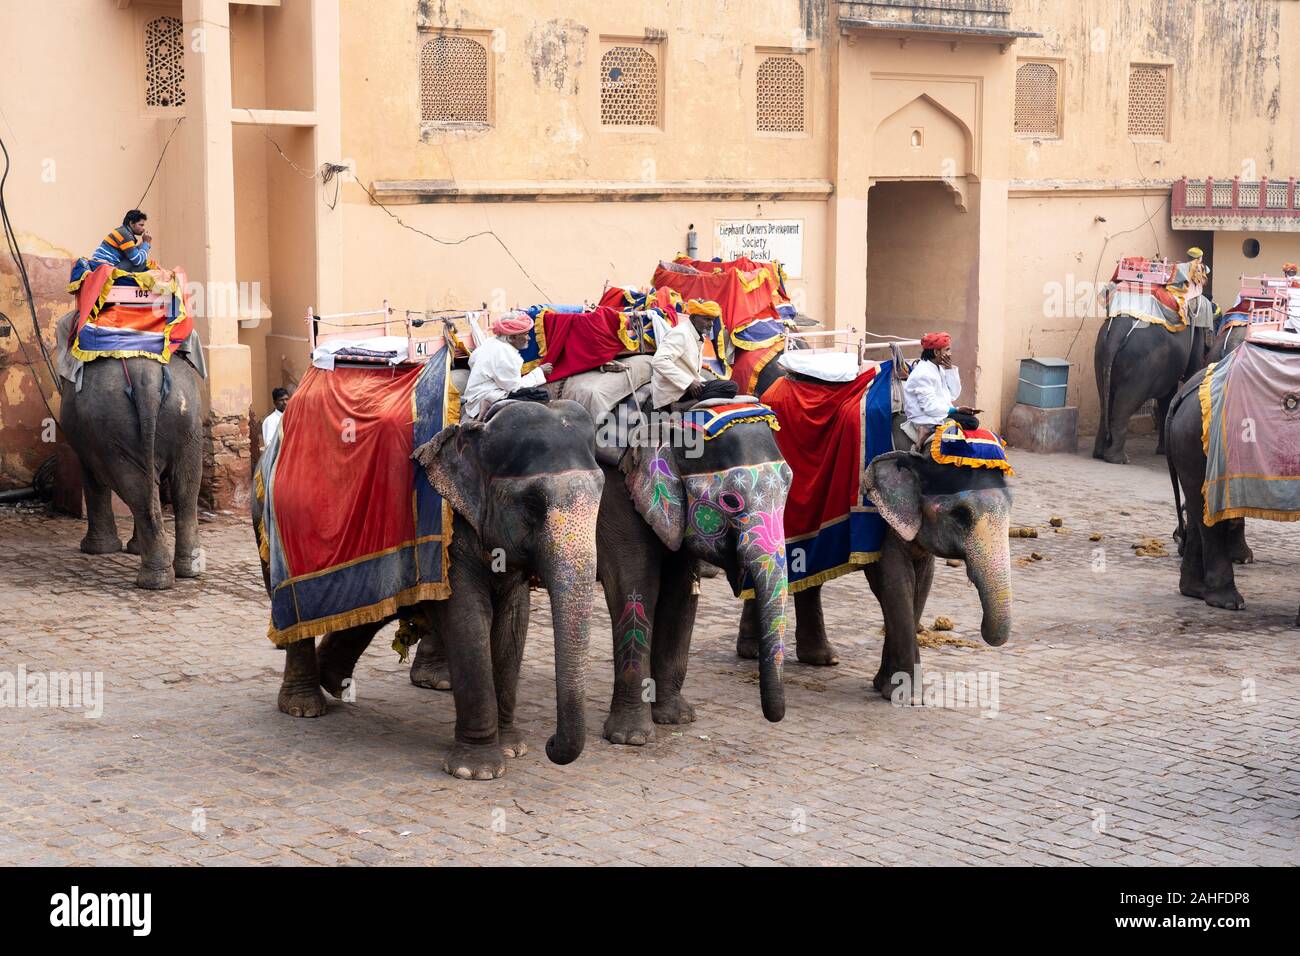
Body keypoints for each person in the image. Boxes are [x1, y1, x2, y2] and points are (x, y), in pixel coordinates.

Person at [462, 313, 553, 419]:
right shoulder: (506, 354)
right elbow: (514, 388)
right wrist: (540, 372)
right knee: (542, 394)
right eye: (525, 334)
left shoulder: (490, 342)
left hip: (475, 395)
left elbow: (472, 361)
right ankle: (489, 402)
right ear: (512, 338)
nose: (529, 338)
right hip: (487, 395)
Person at [650, 300, 735, 410]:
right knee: (730, 387)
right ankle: (679, 407)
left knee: (728, 386)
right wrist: (689, 382)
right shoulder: (681, 333)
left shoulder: (698, 336)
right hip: (675, 393)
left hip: (685, 388)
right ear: (694, 317)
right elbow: (659, 361)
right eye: (707, 319)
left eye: (712, 320)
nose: (711, 324)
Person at [901, 331, 978, 450]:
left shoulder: (938, 368)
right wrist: (956, 409)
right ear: (936, 352)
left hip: (939, 413)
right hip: (925, 417)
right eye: (947, 350)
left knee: (972, 420)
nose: (950, 354)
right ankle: (926, 429)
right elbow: (929, 408)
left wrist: (950, 370)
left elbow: (953, 395)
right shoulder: (923, 373)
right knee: (972, 423)